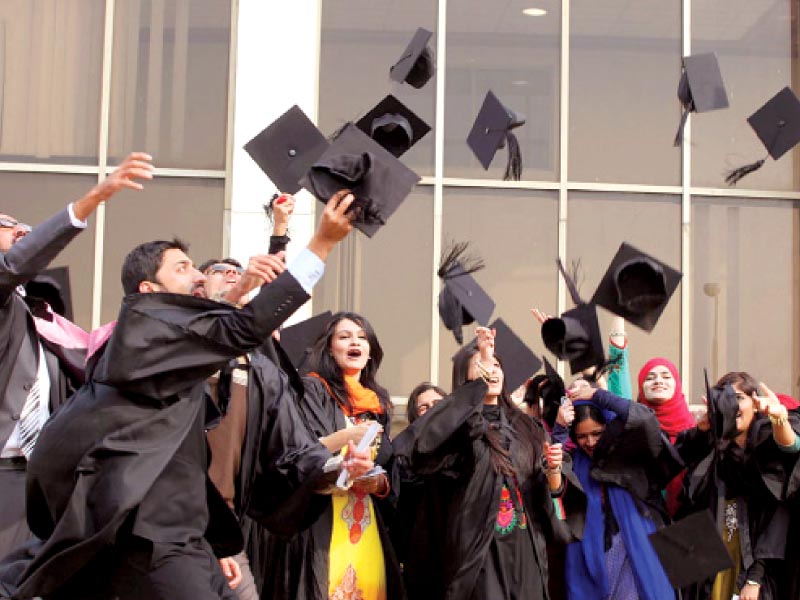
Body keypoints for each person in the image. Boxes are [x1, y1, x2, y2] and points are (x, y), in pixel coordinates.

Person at [0, 191, 373, 600]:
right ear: (149, 290)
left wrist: (336, 466)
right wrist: (322, 241)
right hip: (146, 533)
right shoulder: (135, 335)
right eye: (184, 268)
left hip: (195, 534)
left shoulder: (249, 369)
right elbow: (235, 328)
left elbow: (286, 447)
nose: (198, 275)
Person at [0, 152, 154, 562]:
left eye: (23, 227)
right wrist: (94, 198)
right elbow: (14, 265)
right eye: (9, 226)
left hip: (36, 476)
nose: (20, 232)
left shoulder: (44, 325)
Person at [398, 327, 572, 600]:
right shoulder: (460, 429)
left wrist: (553, 473)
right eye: (481, 366)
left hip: (526, 548)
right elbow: (420, 446)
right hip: (480, 553)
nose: (491, 370)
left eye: (497, 365)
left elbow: (553, 496)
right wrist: (480, 366)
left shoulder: (528, 427)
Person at [263, 311, 403, 600]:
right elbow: (303, 451)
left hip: (366, 524)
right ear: (329, 348)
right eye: (345, 336)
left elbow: (389, 466)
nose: (355, 342)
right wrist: (346, 439)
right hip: (322, 520)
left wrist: (378, 485)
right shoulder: (313, 390)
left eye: (362, 338)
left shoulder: (378, 403)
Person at [676, 372, 800, 600]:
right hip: (711, 564)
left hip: (761, 567)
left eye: (739, 398)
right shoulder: (712, 449)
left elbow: (791, 448)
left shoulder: (767, 437)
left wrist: (780, 418)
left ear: (755, 401)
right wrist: (704, 427)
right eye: (723, 399)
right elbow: (673, 467)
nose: (731, 405)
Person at [564, 384, 682, 600]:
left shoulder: (628, 452)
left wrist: (599, 395)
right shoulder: (572, 464)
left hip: (636, 550)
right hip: (591, 560)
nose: (590, 442)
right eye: (582, 436)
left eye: (597, 433)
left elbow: (645, 420)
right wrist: (561, 424)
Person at [636, 357, 696, 516]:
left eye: (666, 376)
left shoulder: (696, 431)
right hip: (645, 520)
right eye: (650, 378)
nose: (658, 381)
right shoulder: (633, 430)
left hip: (687, 524)